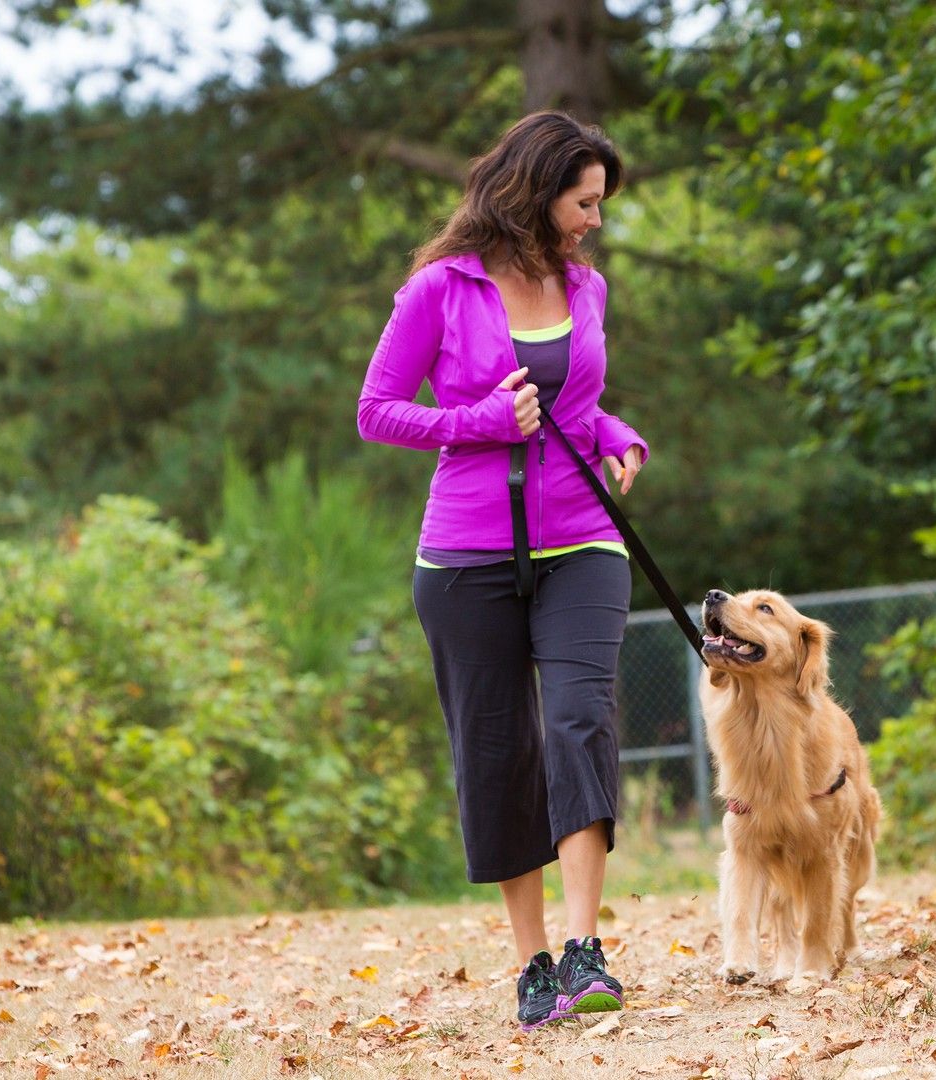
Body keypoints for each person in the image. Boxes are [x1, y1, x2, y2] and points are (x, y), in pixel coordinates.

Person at [355, 110, 646, 1031]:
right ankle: (532, 964)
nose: (594, 219)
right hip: (466, 555)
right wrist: (474, 422)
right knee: (497, 749)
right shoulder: (439, 290)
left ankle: (586, 947)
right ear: (537, 189)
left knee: (578, 720)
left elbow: (578, 402)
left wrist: (619, 435)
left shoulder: (586, 286)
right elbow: (377, 409)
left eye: (599, 203)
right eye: (584, 201)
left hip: (581, 541)